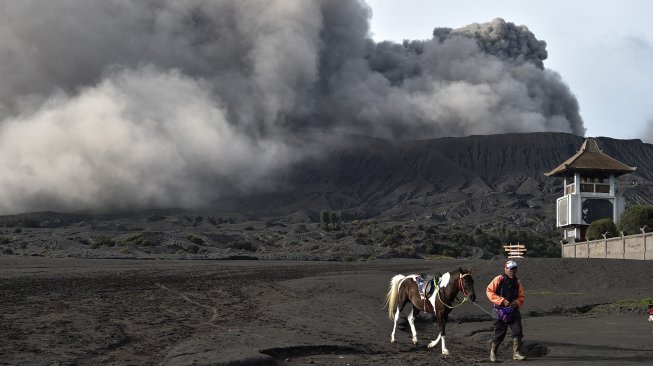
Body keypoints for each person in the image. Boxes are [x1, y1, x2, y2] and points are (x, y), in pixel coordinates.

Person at [486, 259, 526, 362]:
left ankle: (516, 353)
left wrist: (515, 302)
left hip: (513, 310)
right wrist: (502, 301)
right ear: (506, 269)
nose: (513, 270)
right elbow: (489, 291)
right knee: (499, 334)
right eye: (511, 269)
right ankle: (493, 352)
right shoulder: (499, 279)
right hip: (499, 311)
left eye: (515, 268)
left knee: (518, 331)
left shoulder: (517, 282)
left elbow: (521, 297)